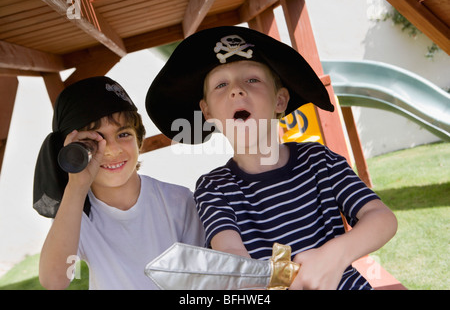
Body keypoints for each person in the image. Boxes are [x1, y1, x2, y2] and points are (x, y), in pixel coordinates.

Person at [145, 26, 397, 290]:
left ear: (280, 100)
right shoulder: (214, 188)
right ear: (207, 112)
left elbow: (382, 218)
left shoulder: (319, 161)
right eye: (221, 84)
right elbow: (232, 255)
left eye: (252, 80)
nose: (236, 91)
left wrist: (334, 255)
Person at [33, 76, 204, 290]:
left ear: (139, 139)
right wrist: (77, 186)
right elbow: (54, 281)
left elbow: (202, 277)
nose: (112, 149)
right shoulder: (76, 213)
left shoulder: (177, 200)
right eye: (94, 141)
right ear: (73, 153)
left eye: (123, 134)